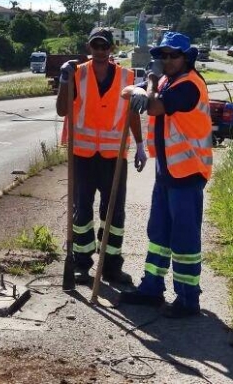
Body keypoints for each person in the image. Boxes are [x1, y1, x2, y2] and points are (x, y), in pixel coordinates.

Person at [118, 31, 213, 318]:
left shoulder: (189, 86)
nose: (168, 60)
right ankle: (151, 289)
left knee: (184, 239)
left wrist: (147, 80)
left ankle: (187, 299)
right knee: (158, 233)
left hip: (188, 172)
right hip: (167, 171)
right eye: (163, 56)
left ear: (187, 58)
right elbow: (133, 95)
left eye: (174, 55)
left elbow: (154, 106)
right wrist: (138, 89)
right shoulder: (165, 82)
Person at [57, 28, 147, 286]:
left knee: (114, 214)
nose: (99, 51)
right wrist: (64, 81)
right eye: (95, 46)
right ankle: (81, 263)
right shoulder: (77, 73)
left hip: (113, 156)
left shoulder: (126, 77)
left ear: (111, 49)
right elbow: (63, 109)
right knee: (81, 211)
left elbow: (132, 113)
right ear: (89, 47)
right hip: (82, 155)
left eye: (104, 46)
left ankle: (110, 266)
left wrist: (140, 144)